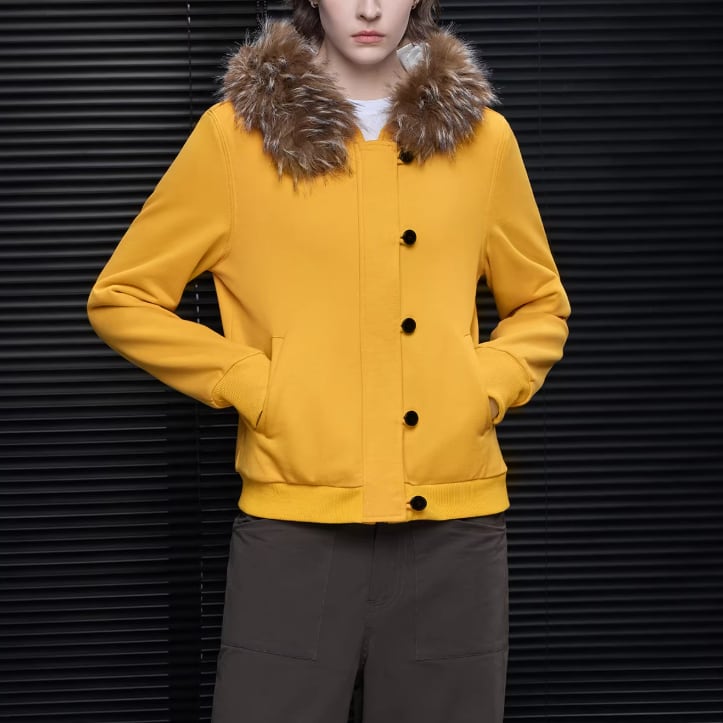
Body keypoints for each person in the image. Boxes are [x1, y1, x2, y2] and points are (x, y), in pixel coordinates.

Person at [87, 0, 570, 720]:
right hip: (293, 526)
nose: (369, 8)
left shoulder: (483, 140)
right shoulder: (235, 137)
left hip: (454, 529)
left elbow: (539, 304)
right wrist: (256, 383)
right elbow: (122, 296)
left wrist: (482, 386)